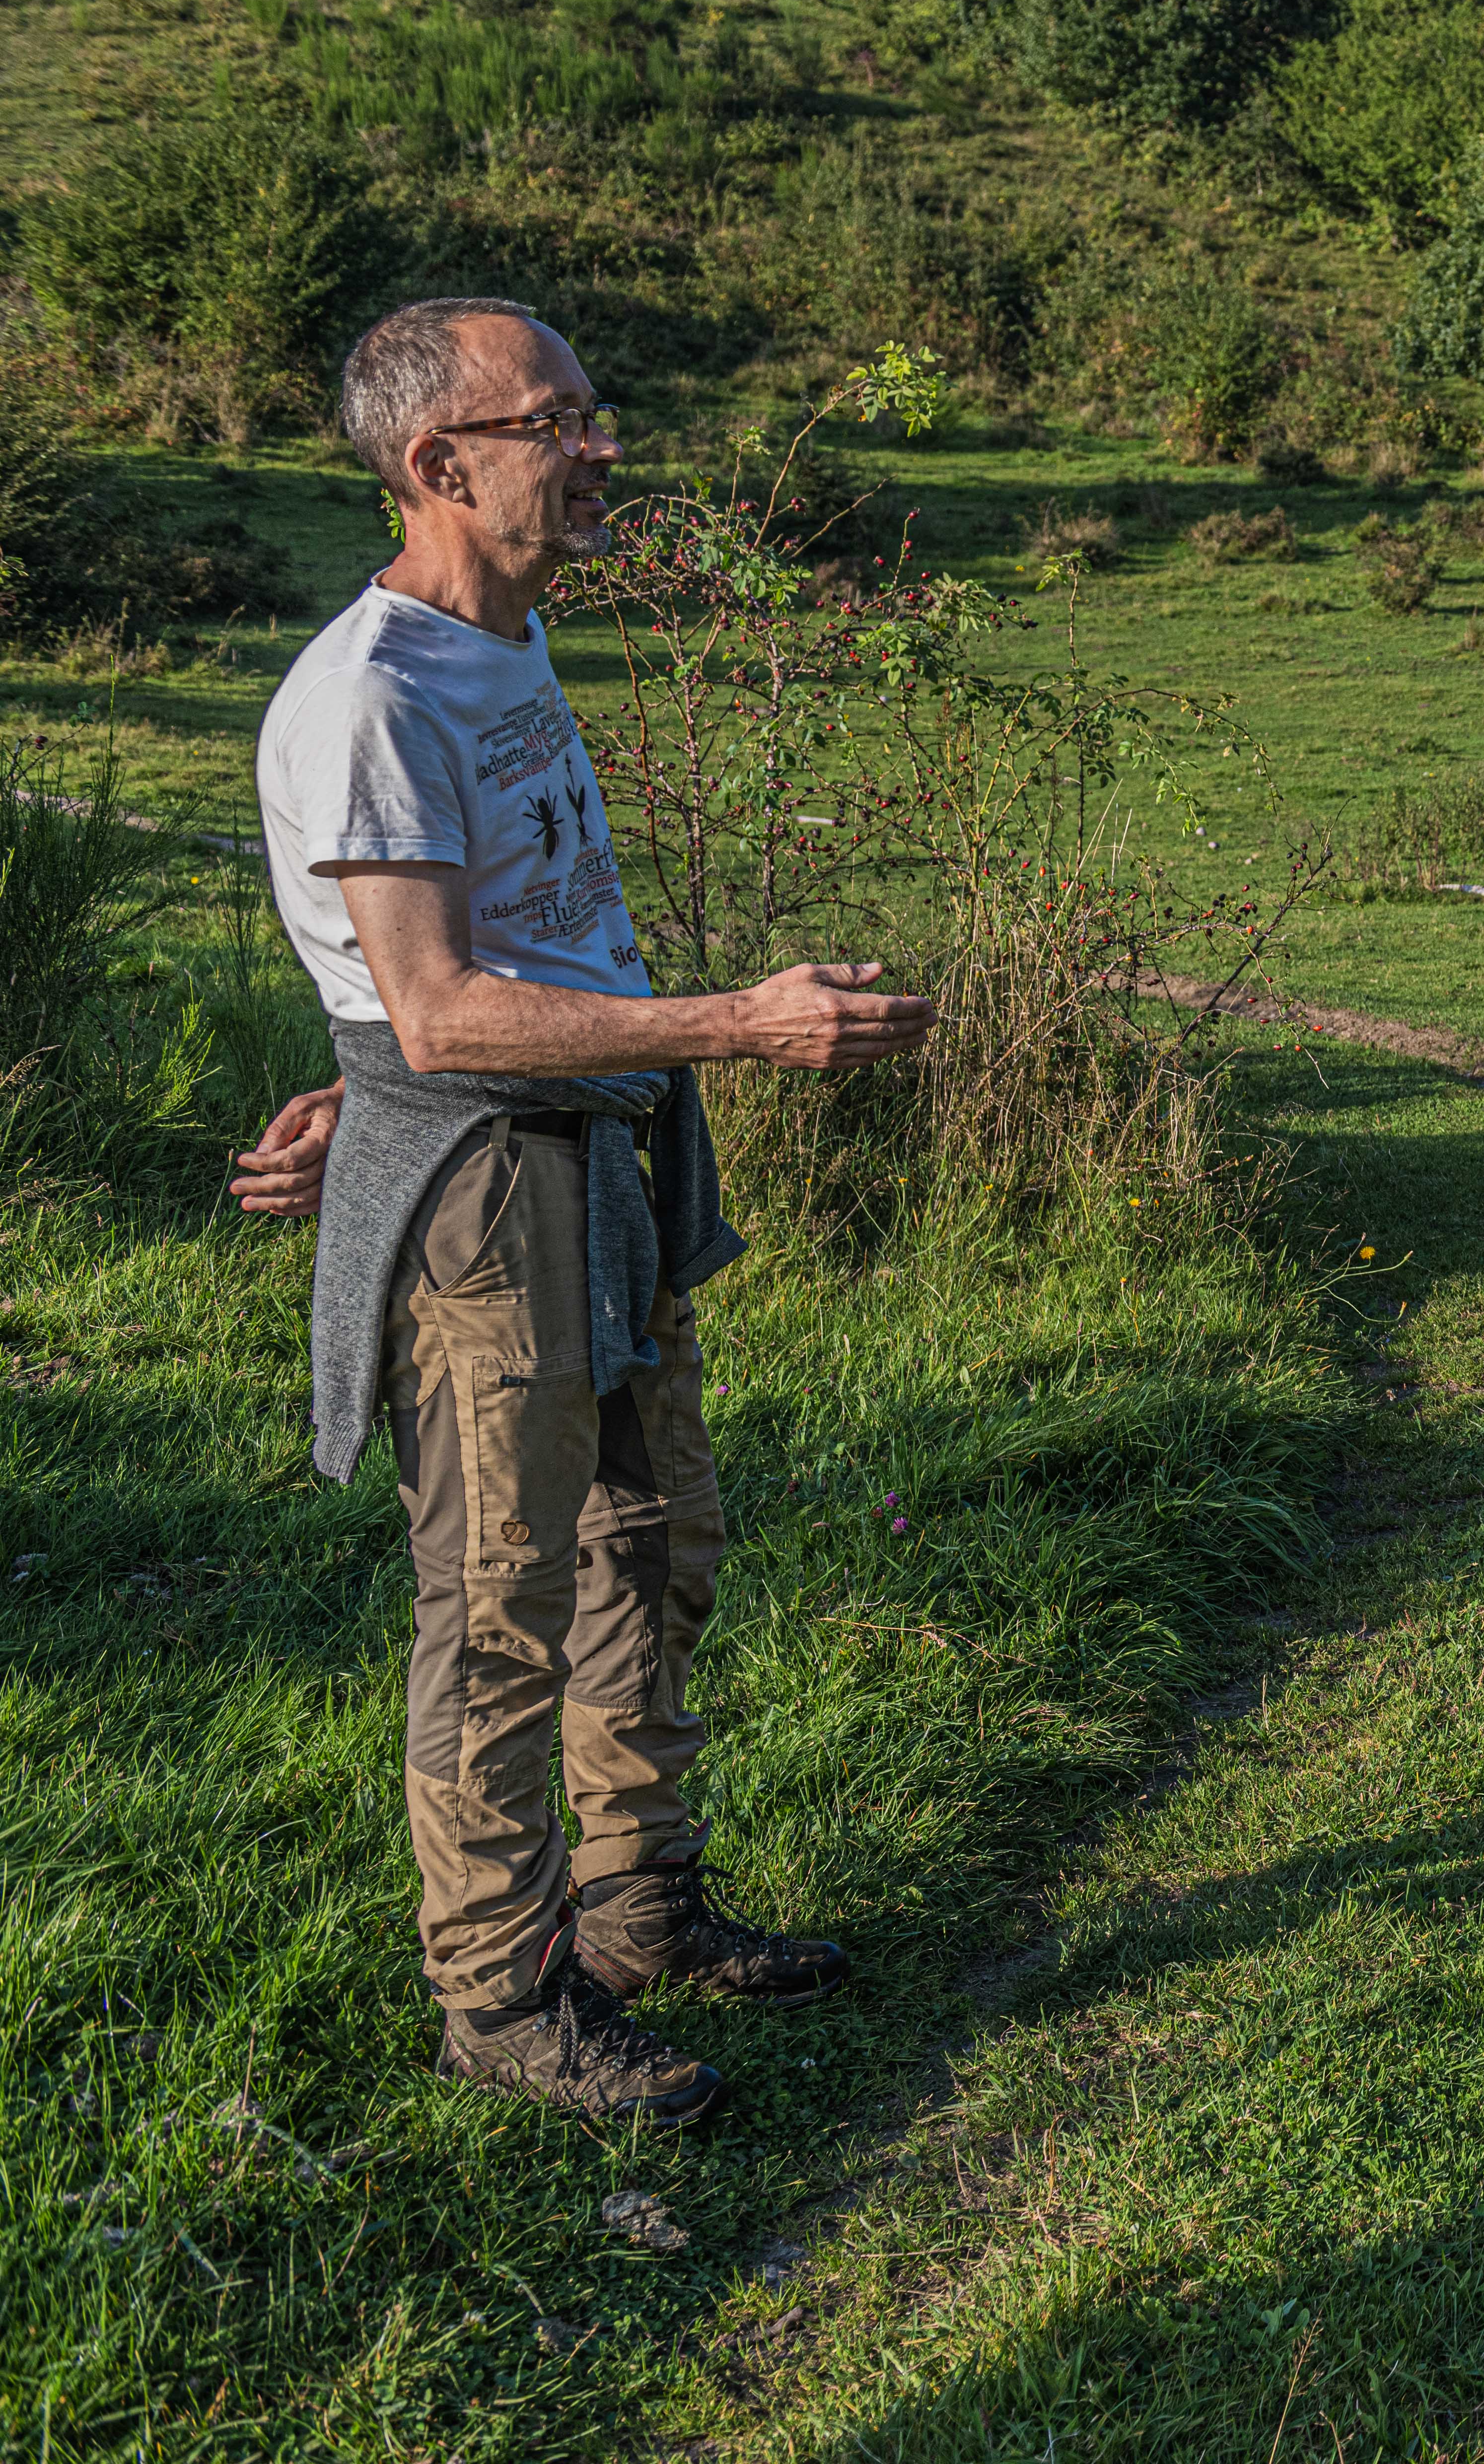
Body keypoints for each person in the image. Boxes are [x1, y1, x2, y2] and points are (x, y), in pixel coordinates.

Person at [231, 297, 937, 2122]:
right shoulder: (372, 695)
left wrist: (367, 1058)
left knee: (651, 1543)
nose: (602, 446)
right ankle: (501, 1995)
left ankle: (639, 1907)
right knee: (499, 1604)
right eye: (559, 422)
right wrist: (741, 1023)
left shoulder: (505, 646)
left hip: (595, 1158)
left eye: (594, 413)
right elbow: (442, 1010)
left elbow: (460, 961)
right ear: (439, 464)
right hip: (487, 1198)